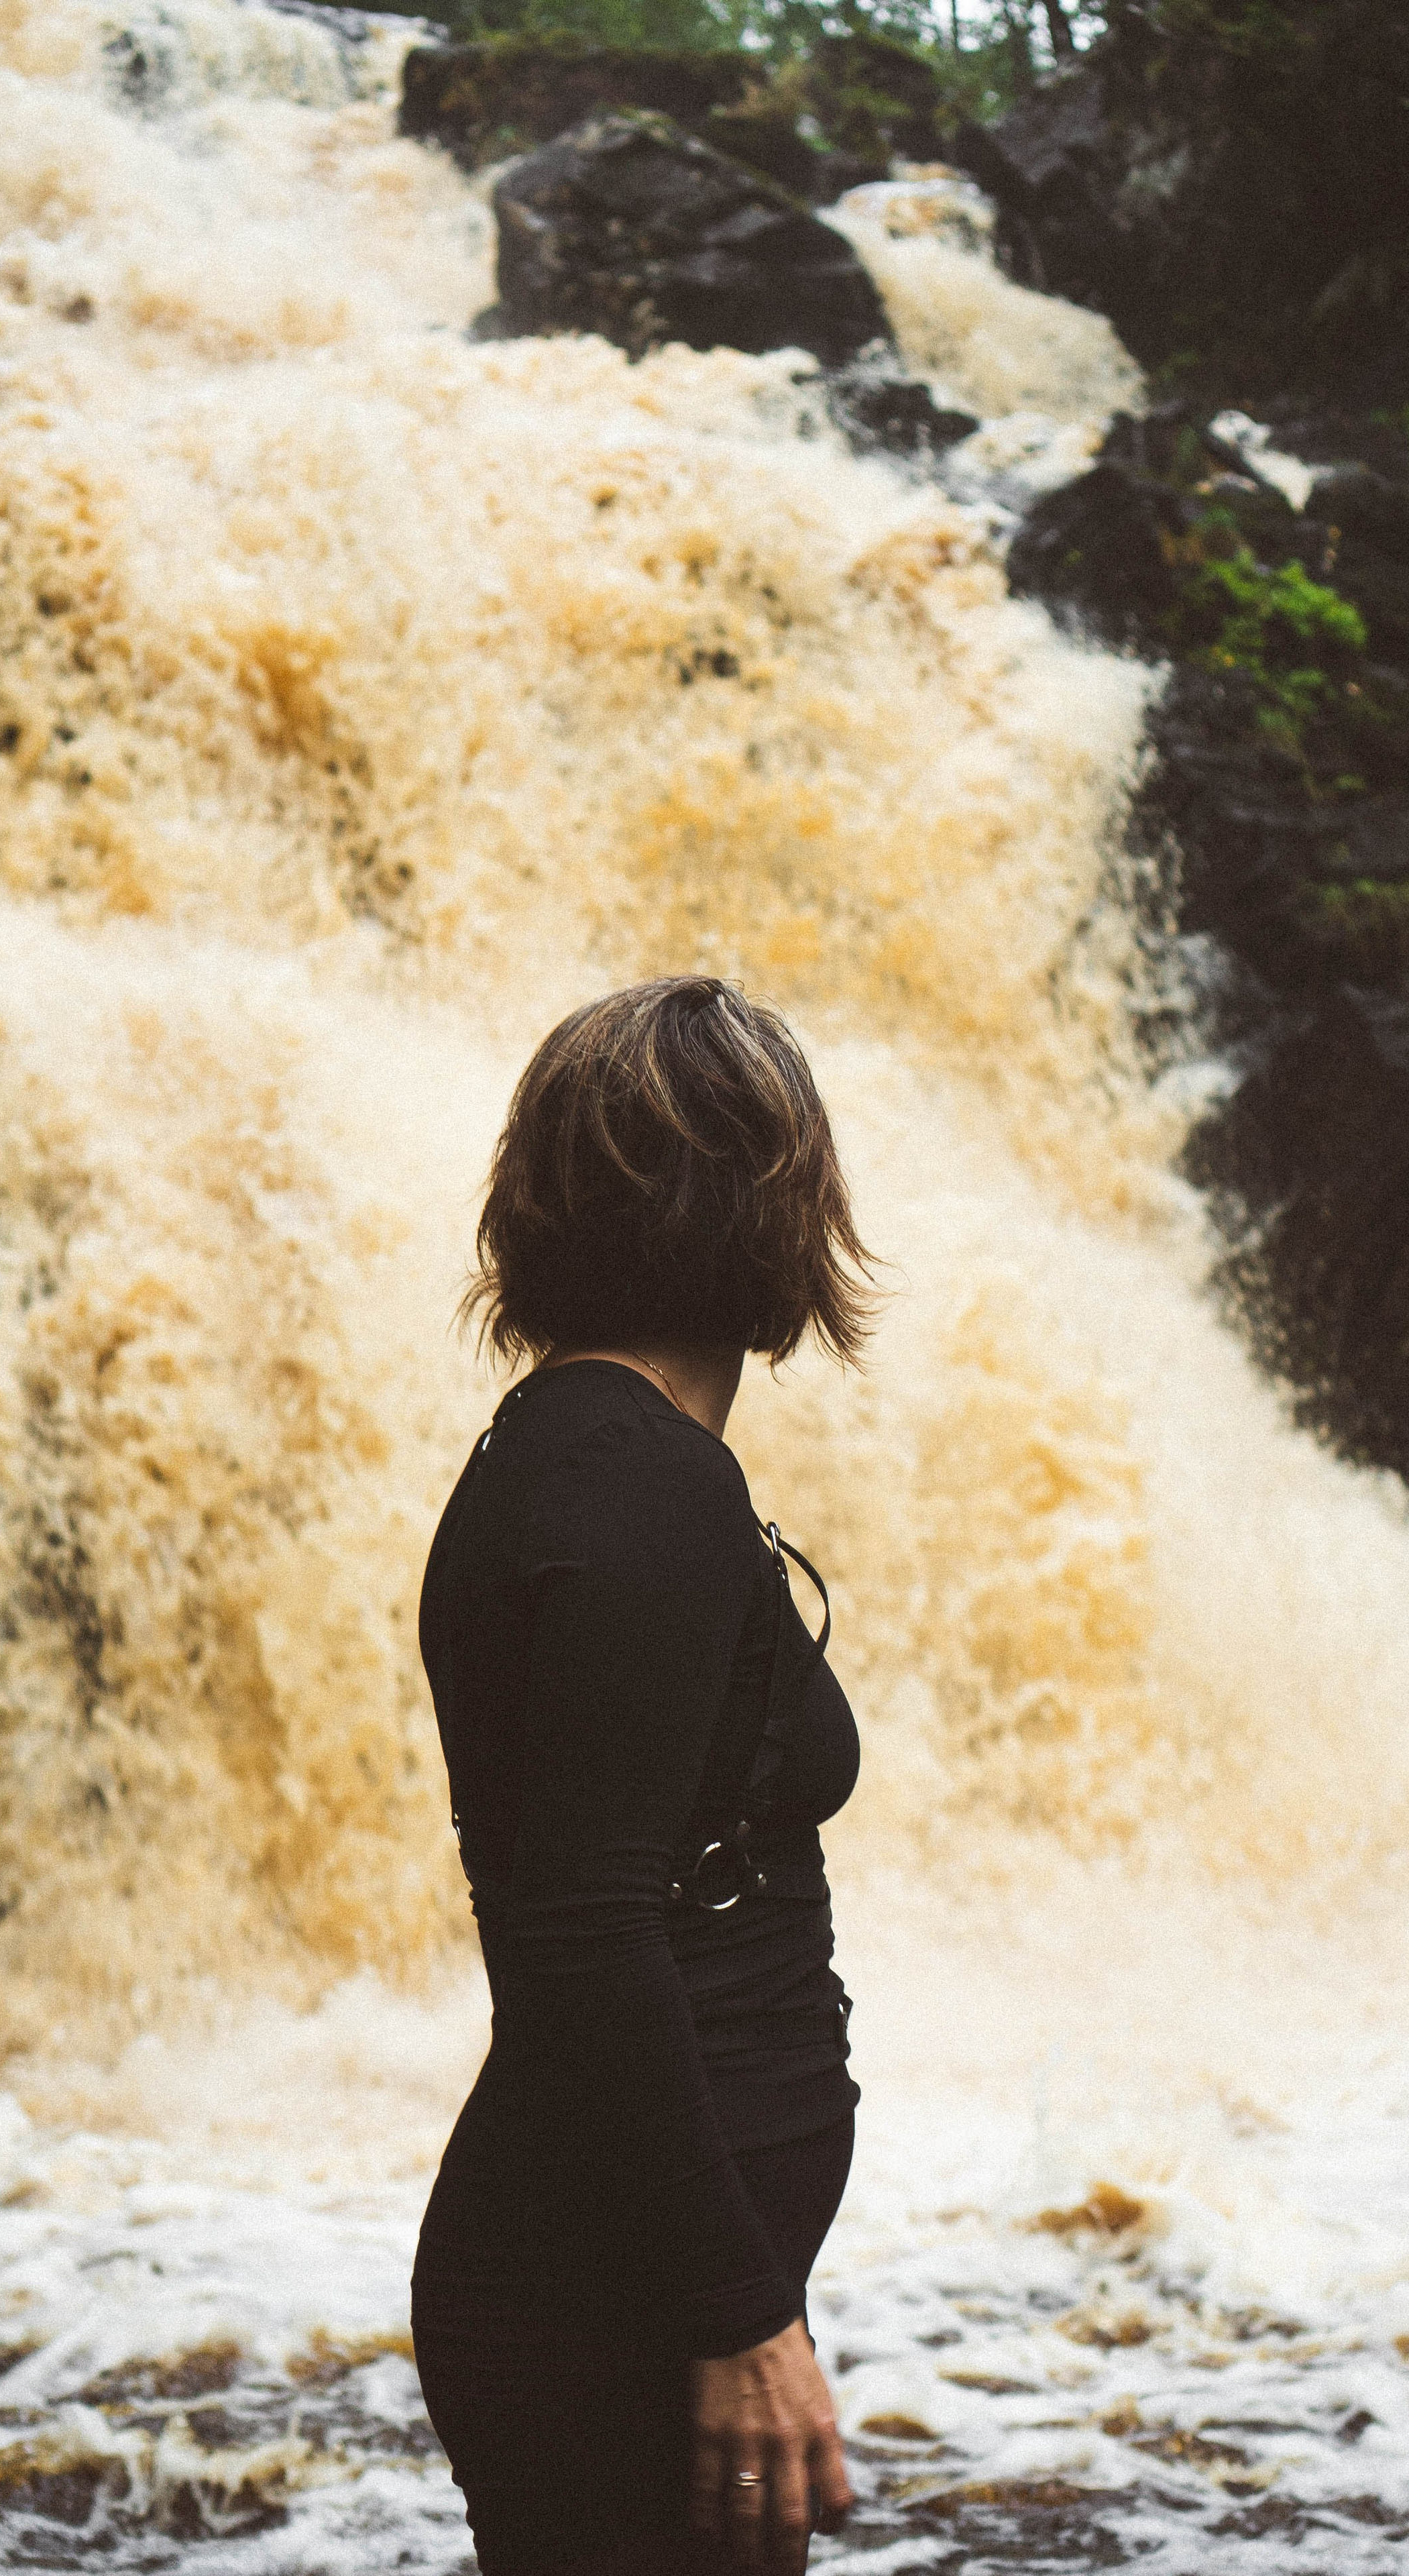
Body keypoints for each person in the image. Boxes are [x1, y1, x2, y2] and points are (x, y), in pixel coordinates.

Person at [412, 976, 875, 2576]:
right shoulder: (639, 1494)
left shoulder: (569, 1456)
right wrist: (741, 2315)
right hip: (621, 2289)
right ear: (766, 1210)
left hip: (619, 2256)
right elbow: (585, 1937)